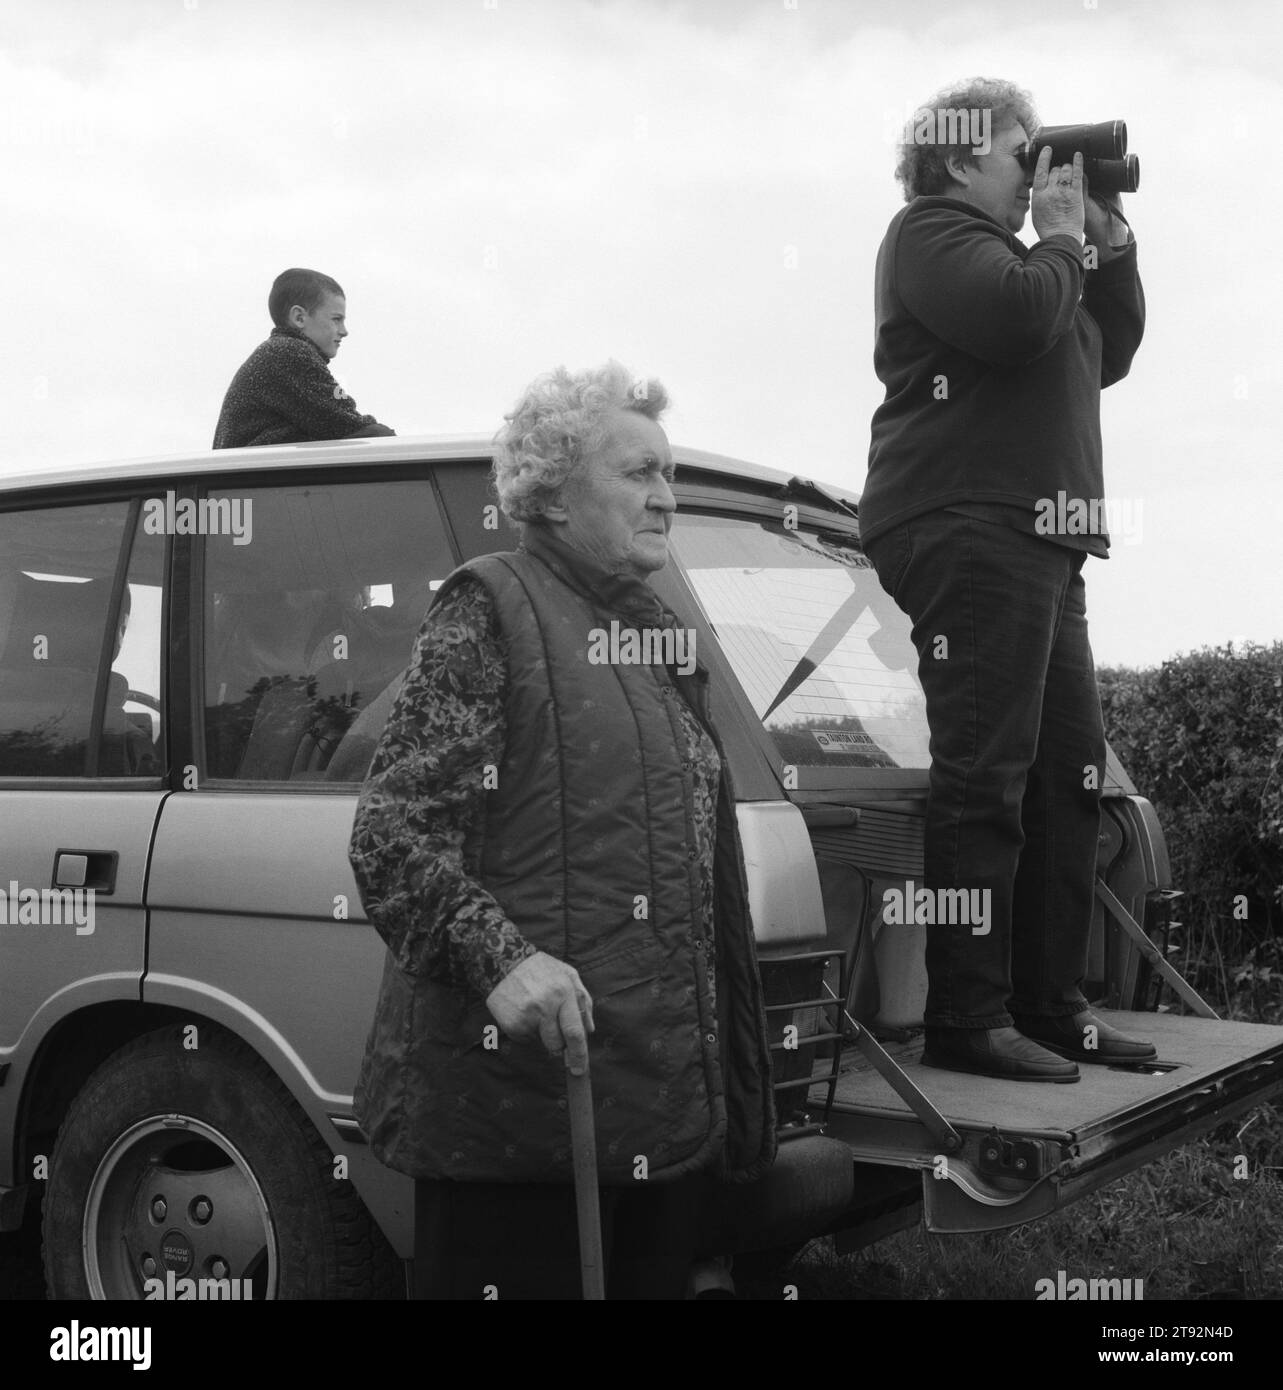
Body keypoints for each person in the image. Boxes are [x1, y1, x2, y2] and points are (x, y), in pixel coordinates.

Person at [348, 361, 776, 1299]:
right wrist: (500, 959)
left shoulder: (656, 636)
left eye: (670, 474)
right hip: (519, 1126)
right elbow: (392, 837)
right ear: (549, 492)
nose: (666, 497)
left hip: (653, 1111)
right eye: (637, 473)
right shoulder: (489, 606)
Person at [859, 78, 1155, 1082]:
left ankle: (1047, 1006)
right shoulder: (930, 234)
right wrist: (1062, 244)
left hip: (1039, 532)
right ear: (955, 158)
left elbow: (1098, 349)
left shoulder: (1035, 263)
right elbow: (1022, 318)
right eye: (1017, 150)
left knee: (1064, 781)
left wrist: (1105, 247)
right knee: (984, 775)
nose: (1034, 170)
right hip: (963, 517)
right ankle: (965, 1017)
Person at [212, 267, 395, 449]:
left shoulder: (278, 353)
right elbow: (349, 424)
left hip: (247, 474)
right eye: (336, 319)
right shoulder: (288, 353)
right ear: (299, 318)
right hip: (253, 476)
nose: (344, 331)